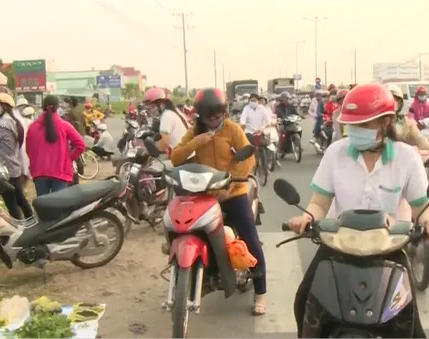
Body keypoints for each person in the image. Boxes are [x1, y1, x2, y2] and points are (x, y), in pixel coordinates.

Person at [286, 83, 429, 338]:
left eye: (363, 126)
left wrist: (427, 222)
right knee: (302, 301)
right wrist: (307, 218)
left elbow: (421, 207)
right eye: (351, 125)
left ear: (386, 123)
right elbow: (320, 202)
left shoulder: (407, 158)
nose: (354, 132)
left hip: (389, 248)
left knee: (412, 327)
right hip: (337, 246)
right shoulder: (335, 153)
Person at [171, 88, 267, 315]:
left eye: (217, 115)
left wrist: (230, 186)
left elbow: (247, 158)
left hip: (233, 191)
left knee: (250, 238)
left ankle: (261, 292)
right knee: (188, 228)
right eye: (209, 116)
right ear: (201, 115)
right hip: (205, 193)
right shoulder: (195, 132)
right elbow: (175, 157)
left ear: (223, 112)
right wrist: (196, 142)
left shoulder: (232, 129)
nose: (214, 120)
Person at [26, 95, 86, 196]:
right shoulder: (65, 125)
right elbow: (81, 145)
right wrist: (69, 158)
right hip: (60, 171)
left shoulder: (32, 127)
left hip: (39, 171)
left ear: (42, 107)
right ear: (57, 108)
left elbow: (28, 150)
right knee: (58, 205)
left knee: (43, 204)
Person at [143, 87, 190, 153]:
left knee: (155, 163)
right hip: (186, 154)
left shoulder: (166, 116)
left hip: (183, 158)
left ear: (161, 104)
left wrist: (148, 151)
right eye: (149, 109)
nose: (151, 111)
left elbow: (164, 144)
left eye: (153, 107)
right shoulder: (173, 112)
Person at [19, 106, 36, 183]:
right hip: (28, 146)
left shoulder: (20, 121)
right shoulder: (32, 122)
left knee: (23, 168)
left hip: (21, 146)